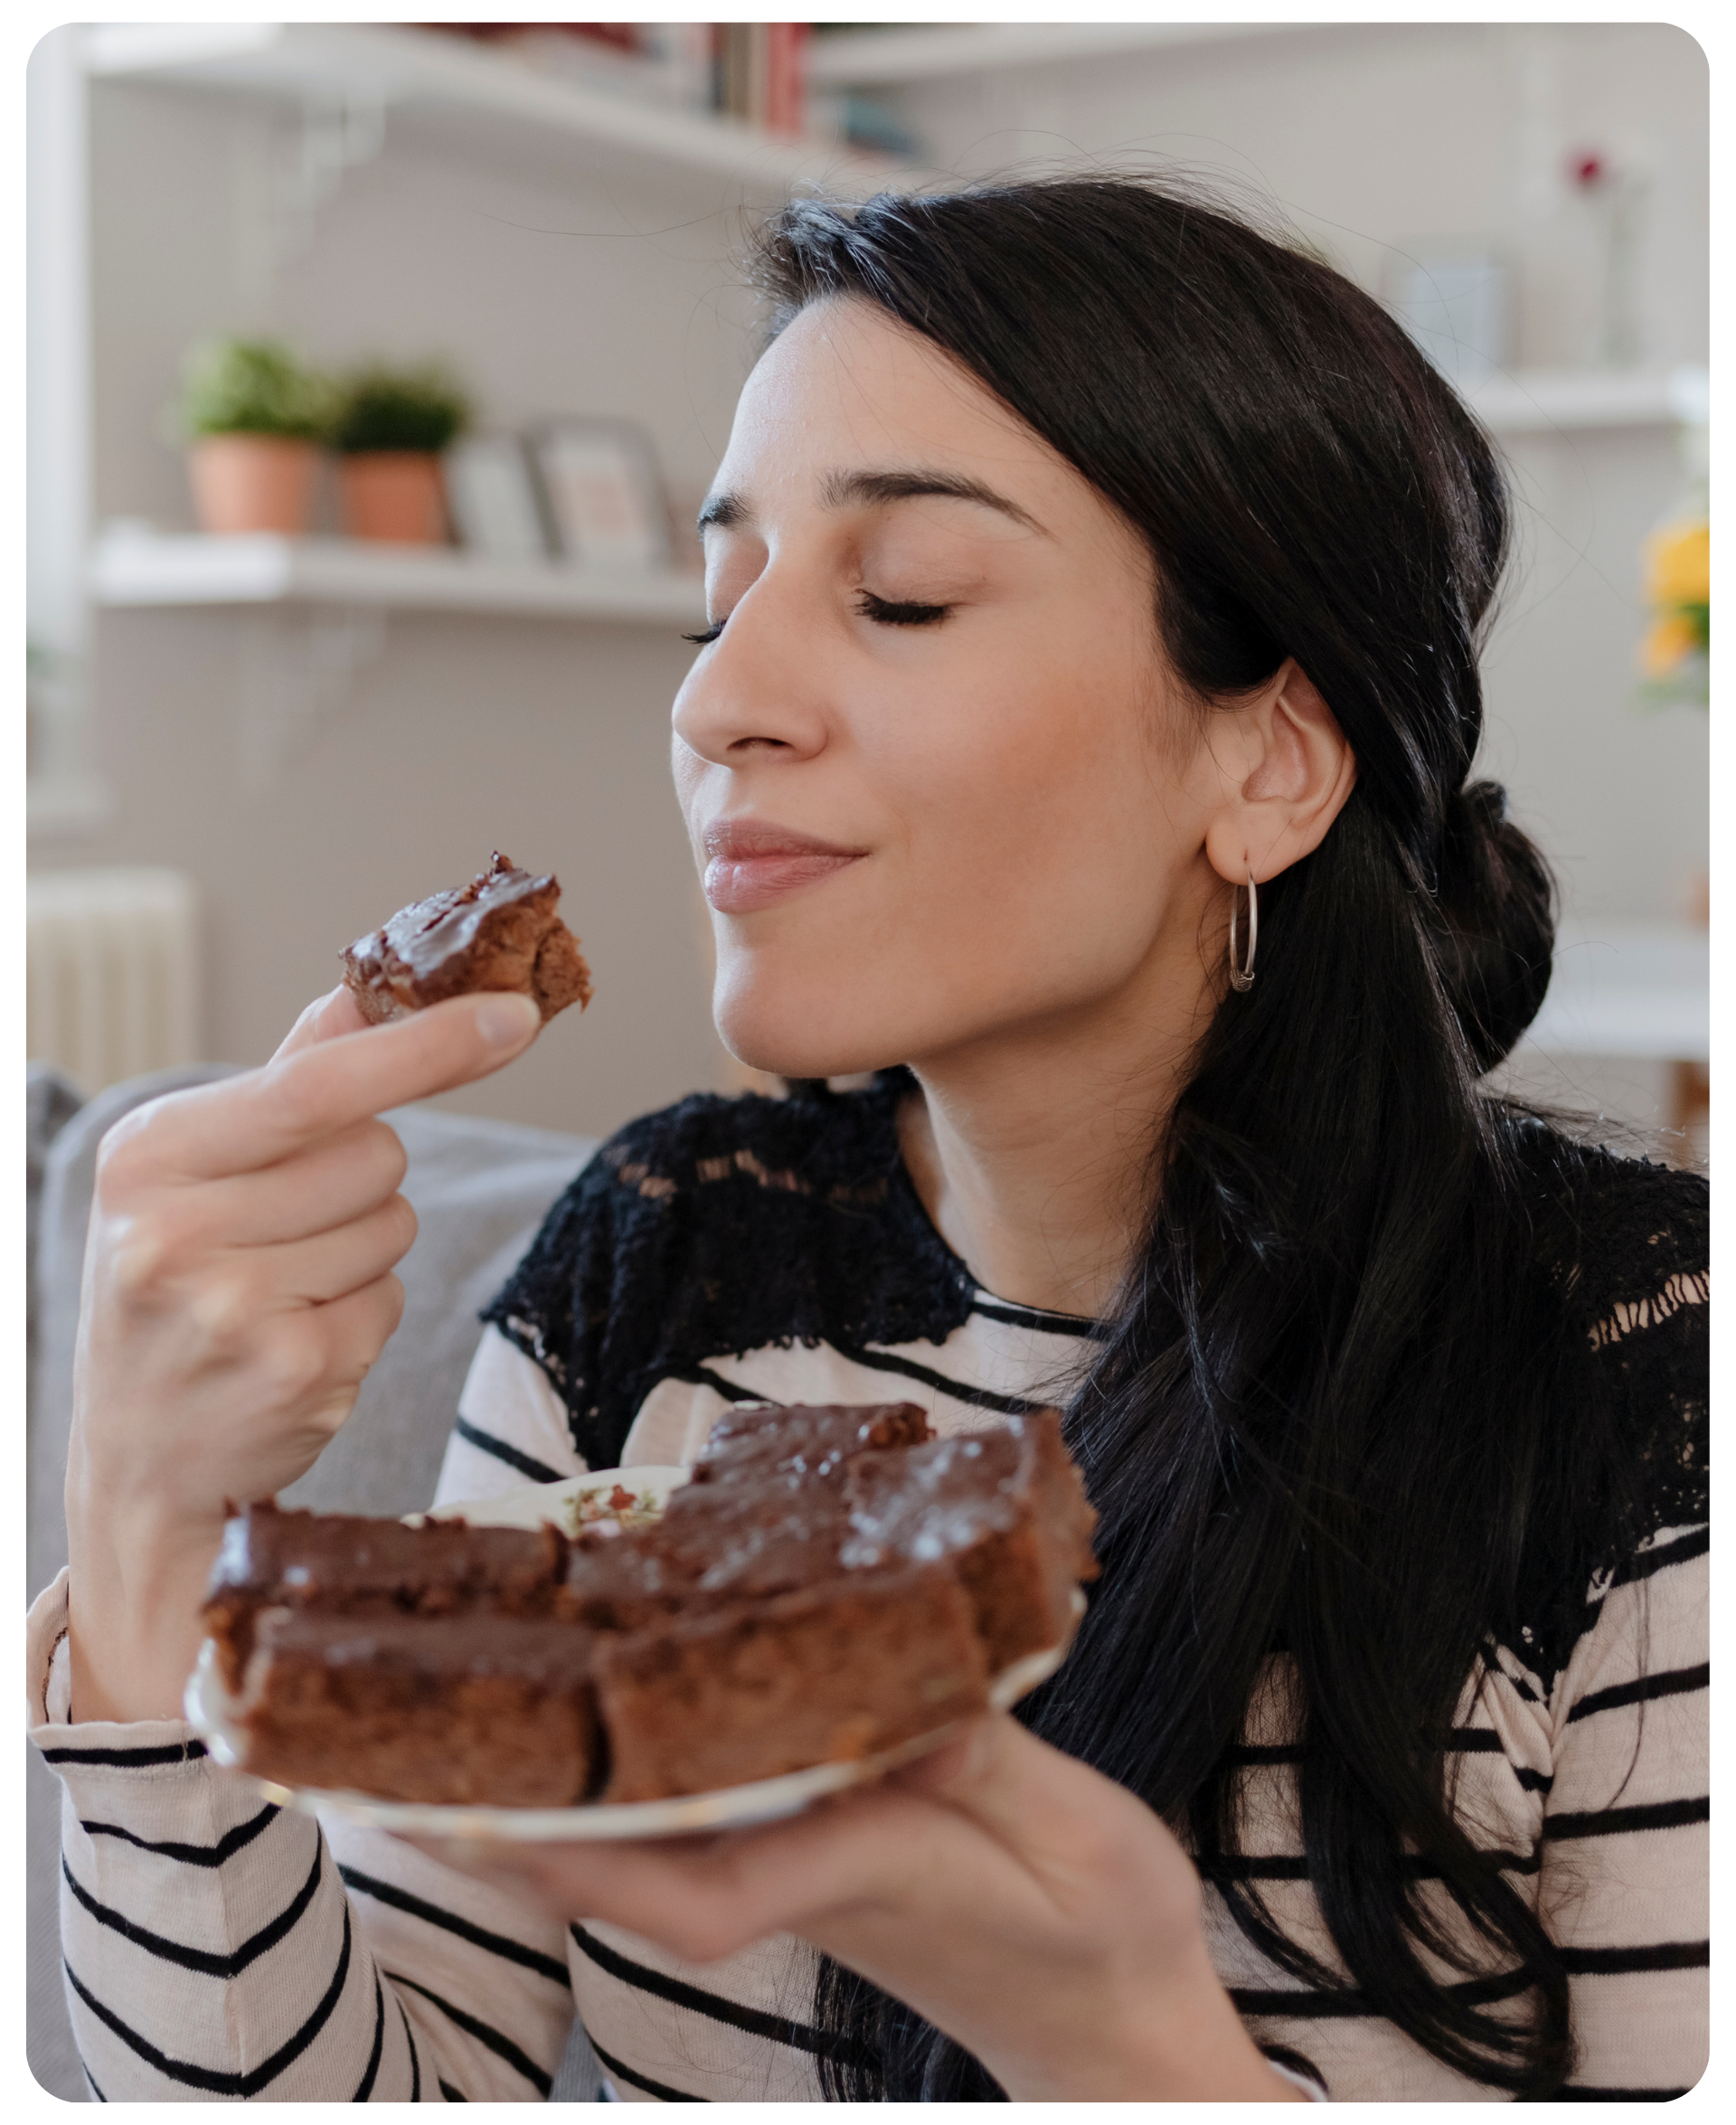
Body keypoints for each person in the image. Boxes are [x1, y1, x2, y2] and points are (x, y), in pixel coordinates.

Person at [30, 179, 1707, 2105]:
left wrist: (1112, 2046)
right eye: (718, 597)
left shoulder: (1640, 1385)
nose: (714, 698)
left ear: (1270, 757)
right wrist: (143, 1532)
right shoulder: (666, 1261)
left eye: (901, 593)